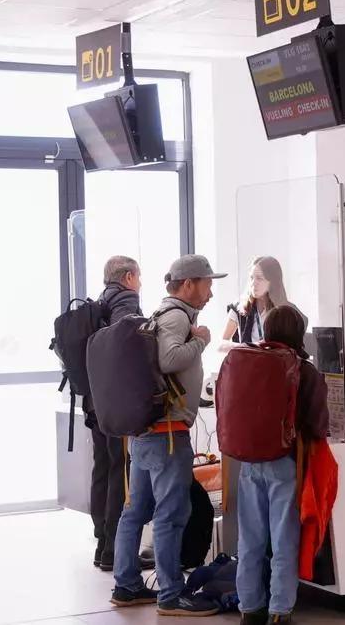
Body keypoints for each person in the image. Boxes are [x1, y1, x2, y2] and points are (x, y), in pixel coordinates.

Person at [111, 255, 226, 617]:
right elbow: (169, 359)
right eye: (207, 283)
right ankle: (171, 594)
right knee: (171, 514)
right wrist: (202, 341)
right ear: (188, 283)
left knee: (135, 512)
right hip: (168, 435)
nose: (210, 292)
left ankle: (126, 586)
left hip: (147, 432)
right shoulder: (177, 317)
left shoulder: (161, 315)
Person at [236, 305, 329, 625]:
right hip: (285, 463)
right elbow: (318, 425)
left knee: (249, 540)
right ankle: (279, 611)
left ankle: (249, 608)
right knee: (283, 541)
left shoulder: (248, 360)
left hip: (248, 463)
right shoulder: (305, 370)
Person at [89, 256, 142, 572]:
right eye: (138, 276)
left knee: (103, 466)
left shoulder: (98, 303)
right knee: (120, 470)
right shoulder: (126, 301)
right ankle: (113, 548)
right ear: (129, 276)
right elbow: (130, 346)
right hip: (115, 402)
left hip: (94, 401)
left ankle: (100, 542)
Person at [222, 256, 305, 346]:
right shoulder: (239, 307)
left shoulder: (287, 311)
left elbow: (294, 346)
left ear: (272, 281)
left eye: (259, 278)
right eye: (251, 278)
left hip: (275, 359)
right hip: (249, 358)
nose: (253, 283)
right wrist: (249, 347)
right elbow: (221, 345)